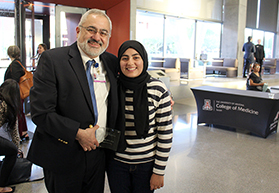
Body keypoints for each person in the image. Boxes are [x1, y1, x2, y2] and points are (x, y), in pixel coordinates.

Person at [27, 9, 118, 193]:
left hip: (99, 153)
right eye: (91, 30)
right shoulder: (53, 60)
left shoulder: (111, 62)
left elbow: (134, 81)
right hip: (63, 154)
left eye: (103, 32)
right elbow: (41, 112)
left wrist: (163, 94)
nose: (97, 37)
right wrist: (77, 133)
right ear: (78, 31)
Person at [106, 40, 173, 193]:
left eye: (136, 57)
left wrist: (159, 171)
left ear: (144, 59)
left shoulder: (157, 88)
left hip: (146, 165)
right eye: (125, 58)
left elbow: (165, 133)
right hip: (116, 164)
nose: (130, 63)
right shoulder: (112, 86)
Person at [4, 45, 29, 142]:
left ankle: (18, 134)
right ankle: (23, 132)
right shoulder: (18, 63)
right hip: (18, 93)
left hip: (15, 93)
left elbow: (14, 80)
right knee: (20, 112)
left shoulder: (14, 65)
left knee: (16, 113)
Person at [0, 79, 21, 193]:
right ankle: (1, 186)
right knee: (12, 151)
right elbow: (14, 133)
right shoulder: (7, 105)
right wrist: (17, 148)